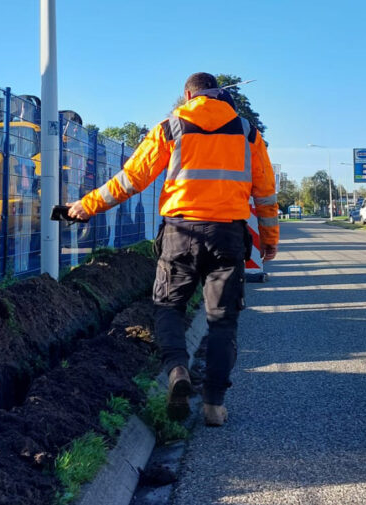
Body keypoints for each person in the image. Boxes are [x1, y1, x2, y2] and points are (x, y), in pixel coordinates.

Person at [68, 72, 278, 427]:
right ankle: (213, 405)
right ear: (218, 94)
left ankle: (177, 369)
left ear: (187, 94)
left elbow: (130, 179)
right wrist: (269, 240)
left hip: (180, 232)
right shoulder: (246, 131)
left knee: (168, 308)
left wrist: (86, 206)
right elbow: (266, 191)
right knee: (222, 321)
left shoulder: (171, 126)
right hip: (228, 235)